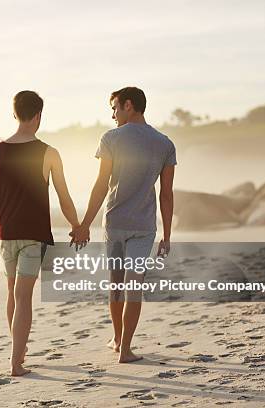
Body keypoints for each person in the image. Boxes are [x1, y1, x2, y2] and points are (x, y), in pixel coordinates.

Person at [70, 86, 176, 363]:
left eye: (115, 108)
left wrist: (84, 225)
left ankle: (118, 340)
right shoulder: (164, 143)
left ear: (128, 105)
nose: (113, 115)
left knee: (116, 285)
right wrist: (167, 235)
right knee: (134, 286)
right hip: (144, 226)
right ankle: (125, 348)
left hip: (115, 222)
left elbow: (101, 185)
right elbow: (166, 194)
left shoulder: (111, 138)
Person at [0, 90, 80, 376]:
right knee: (24, 295)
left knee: (12, 294)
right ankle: (16, 362)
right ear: (38, 115)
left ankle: (19, 349)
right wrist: (77, 226)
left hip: (7, 234)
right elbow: (64, 197)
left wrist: (2, 227)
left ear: (14, 113)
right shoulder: (48, 153)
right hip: (34, 235)